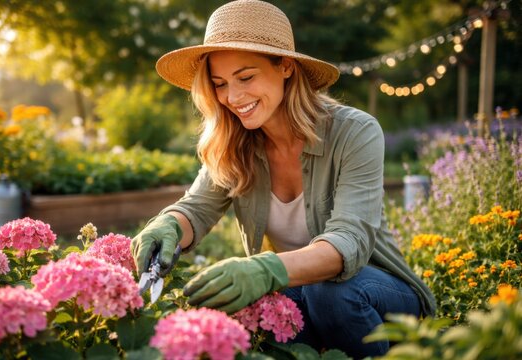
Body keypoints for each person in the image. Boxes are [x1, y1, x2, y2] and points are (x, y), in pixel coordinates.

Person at [131, 0, 436, 358]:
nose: (233, 97)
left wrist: (263, 268)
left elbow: (349, 240)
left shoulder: (355, 132)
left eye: (246, 77)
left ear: (286, 67)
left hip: (379, 293)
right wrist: (167, 226)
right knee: (260, 307)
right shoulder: (234, 141)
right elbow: (197, 209)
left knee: (328, 292)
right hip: (298, 289)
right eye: (219, 84)